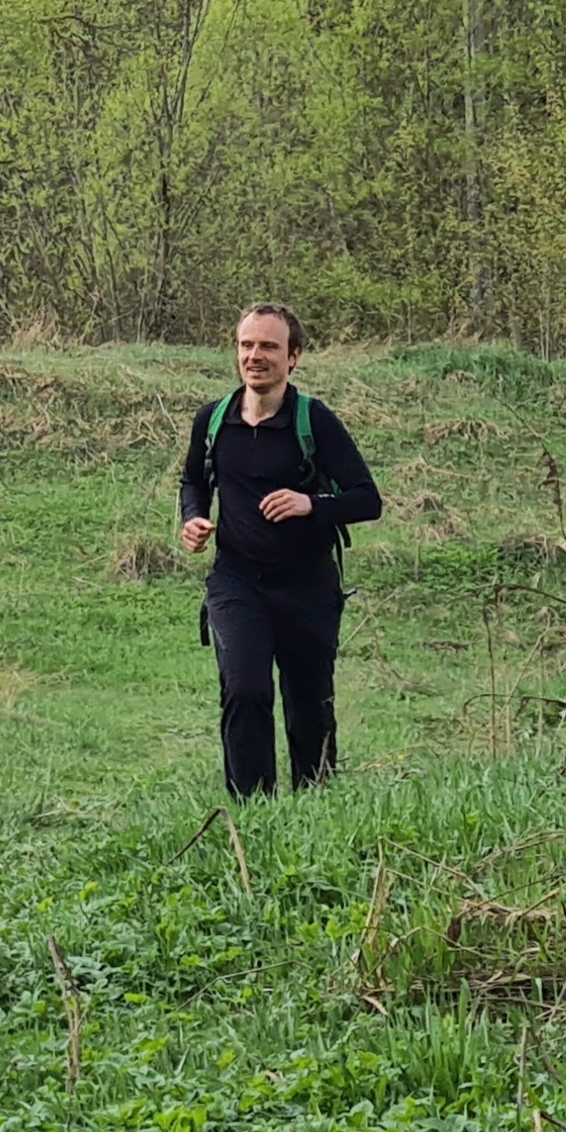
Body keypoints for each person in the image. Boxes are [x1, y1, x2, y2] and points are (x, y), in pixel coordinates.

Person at [177, 303, 382, 801]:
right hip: (236, 582)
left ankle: (315, 807)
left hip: (307, 586)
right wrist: (194, 518)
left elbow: (367, 499)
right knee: (245, 691)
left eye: (269, 346)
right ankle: (253, 813)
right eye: (247, 345)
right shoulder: (213, 420)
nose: (256, 356)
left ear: (294, 357)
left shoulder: (315, 421)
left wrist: (310, 503)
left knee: (309, 707)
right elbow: (193, 480)